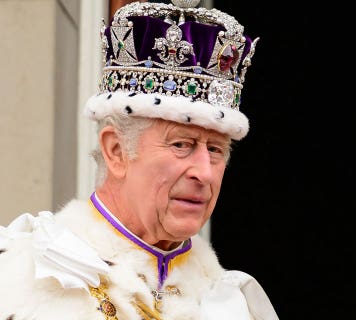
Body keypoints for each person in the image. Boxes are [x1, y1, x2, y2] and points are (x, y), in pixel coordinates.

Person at [0, 1, 279, 319]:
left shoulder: (234, 305)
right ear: (116, 151)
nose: (205, 173)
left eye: (215, 150)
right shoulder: (23, 279)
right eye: (182, 144)